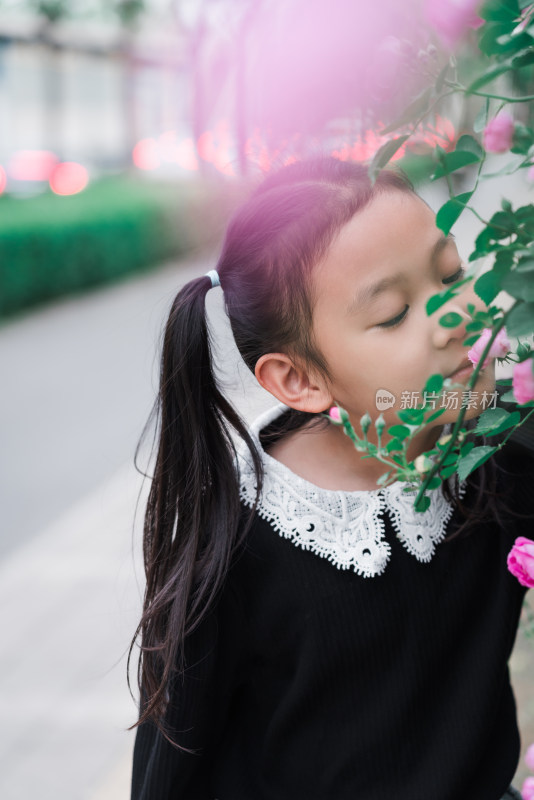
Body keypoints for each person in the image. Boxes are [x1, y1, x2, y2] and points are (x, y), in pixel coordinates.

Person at [127, 155, 533, 800]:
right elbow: (174, 773)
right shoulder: (235, 542)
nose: (457, 316)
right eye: (396, 313)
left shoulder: (502, 450)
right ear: (299, 381)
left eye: (452, 274)